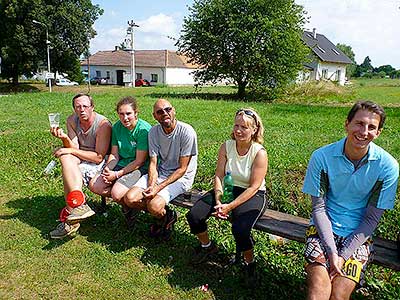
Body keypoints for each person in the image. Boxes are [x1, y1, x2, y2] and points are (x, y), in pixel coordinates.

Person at [302, 100, 399, 300]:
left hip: (359, 237)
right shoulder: (321, 157)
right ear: (347, 124)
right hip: (321, 230)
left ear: (378, 132)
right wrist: (331, 253)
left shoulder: (388, 167)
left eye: (372, 127)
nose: (364, 131)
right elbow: (318, 209)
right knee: (318, 292)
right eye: (359, 123)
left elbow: (371, 219)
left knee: (338, 295)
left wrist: (343, 255)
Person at [186, 108, 268, 284]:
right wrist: (218, 199)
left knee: (240, 229)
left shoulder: (259, 152)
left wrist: (229, 207)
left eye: (244, 127)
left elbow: (254, 186)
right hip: (228, 189)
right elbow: (218, 175)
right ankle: (207, 246)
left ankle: (249, 263)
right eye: (236, 125)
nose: (238, 130)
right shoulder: (227, 146)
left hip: (252, 194)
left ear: (254, 129)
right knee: (194, 215)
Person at [124, 99, 198, 240]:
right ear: (154, 116)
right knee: (130, 198)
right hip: (161, 173)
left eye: (168, 109)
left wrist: (157, 188)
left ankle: (163, 217)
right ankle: (165, 216)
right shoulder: (153, 132)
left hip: (181, 178)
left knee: (154, 205)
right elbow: (153, 163)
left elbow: (182, 169)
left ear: (174, 110)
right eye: (160, 112)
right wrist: (152, 185)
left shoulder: (186, 132)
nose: (165, 113)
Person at [49, 93, 112, 239]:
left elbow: (98, 157)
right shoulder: (72, 120)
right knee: (66, 159)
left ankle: (72, 218)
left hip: (100, 161)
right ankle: (78, 205)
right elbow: (74, 147)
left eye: (85, 106)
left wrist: (70, 150)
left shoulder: (103, 124)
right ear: (74, 109)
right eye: (78, 107)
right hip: (81, 156)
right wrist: (64, 138)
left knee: (67, 165)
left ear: (92, 107)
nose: (82, 109)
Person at [89, 96, 151, 228]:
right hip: (122, 163)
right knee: (95, 185)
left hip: (139, 167)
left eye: (128, 113)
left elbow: (139, 161)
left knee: (116, 194)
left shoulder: (143, 130)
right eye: (121, 114)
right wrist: (108, 168)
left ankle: (136, 207)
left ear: (136, 113)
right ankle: (128, 205)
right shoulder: (117, 127)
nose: (125, 118)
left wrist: (116, 175)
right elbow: (114, 154)